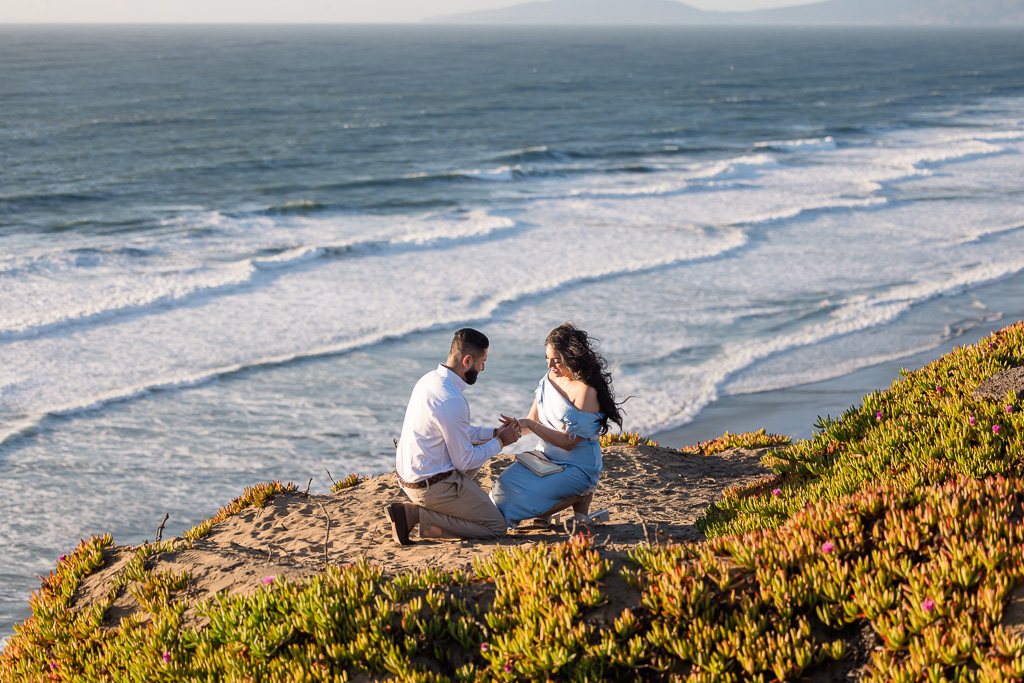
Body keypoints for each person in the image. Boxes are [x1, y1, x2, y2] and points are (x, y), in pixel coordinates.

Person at [383, 328, 521, 545]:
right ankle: (416, 515)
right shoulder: (451, 399)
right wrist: (501, 442)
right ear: (467, 360)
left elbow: (459, 431)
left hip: (412, 478)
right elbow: (464, 460)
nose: (483, 368)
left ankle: (442, 506)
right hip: (430, 487)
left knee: (476, 447)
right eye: (481, 362)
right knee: (496, 527)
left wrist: (493, 433)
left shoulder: (429, 380)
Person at [490, 322, 623, 527]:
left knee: (518, 503)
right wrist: (509, 430)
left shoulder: (585, 391)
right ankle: (549, 509)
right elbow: (531, 421)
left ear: (572, 358)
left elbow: (569, 442)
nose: (550, 366)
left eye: (557, 361)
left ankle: (579, 498)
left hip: (577, 466)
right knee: (500, 491)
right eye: (547, 359)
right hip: (543, 460)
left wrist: (532, 426)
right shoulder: (548, 379)